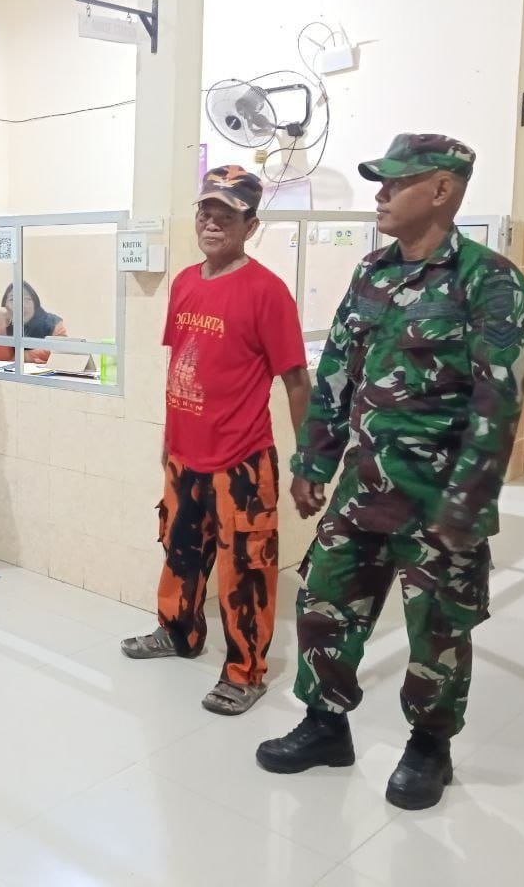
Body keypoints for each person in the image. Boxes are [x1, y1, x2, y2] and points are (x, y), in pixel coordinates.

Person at [255, 134, 524, 811]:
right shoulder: (372, 272)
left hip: (439, 498)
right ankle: (325, 725)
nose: (380, 195)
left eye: (395, 183)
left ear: (441, 190)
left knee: (438, 629)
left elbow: (498, 402)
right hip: (364, 487)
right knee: (324, 603)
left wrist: (467, 503)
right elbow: (335, 373)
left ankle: (430, 747)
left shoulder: (488, 280)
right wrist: (313, 460)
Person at [121, 165, 311, 717]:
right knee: (180, 550)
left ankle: (245, 671)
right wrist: (169, 437)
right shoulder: (185, 282)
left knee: (246, 568)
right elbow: (183, 363)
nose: (211, 222)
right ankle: (178, 632)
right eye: (205, 211)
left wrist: (308, 461)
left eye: (226, 215)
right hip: (185, 455)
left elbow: (297, 381)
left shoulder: (268, 292)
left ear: (251, 226)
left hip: (242, 459)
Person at [0, 282, 67, 364]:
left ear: (35, 303)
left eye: (27, 299)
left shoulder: (52, 322)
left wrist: (24, 356)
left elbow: (59, 352)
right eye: (12, 299)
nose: (21, 305)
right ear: (5, 305)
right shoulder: (4, 323)